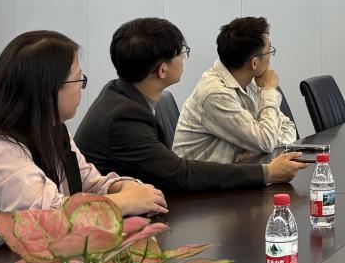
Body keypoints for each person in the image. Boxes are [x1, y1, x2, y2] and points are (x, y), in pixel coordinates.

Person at [0, 30, 167, 238]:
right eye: (78, 79)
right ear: (49, 88)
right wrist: (123, 202)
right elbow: (44, 218)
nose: (81, 87)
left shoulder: (51, 127)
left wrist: (126, 188)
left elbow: (88, 183)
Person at [76, 18, 308, 191]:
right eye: (181, 53)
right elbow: (180, 174)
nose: (184, 59)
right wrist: (266, 172)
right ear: (162, 70)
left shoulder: (121, 95)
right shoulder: (124, 117)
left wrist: (258, 152)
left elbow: (281, 132)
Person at [173, 16, 299, 165]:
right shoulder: (216, 93)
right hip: (200, 178)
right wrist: (268, 91)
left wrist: (255, 151)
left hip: (233, 172)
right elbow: (266, 141)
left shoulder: (249, 81)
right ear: (254, 63)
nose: (271, 55)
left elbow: (288, 128)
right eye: (269, 50)